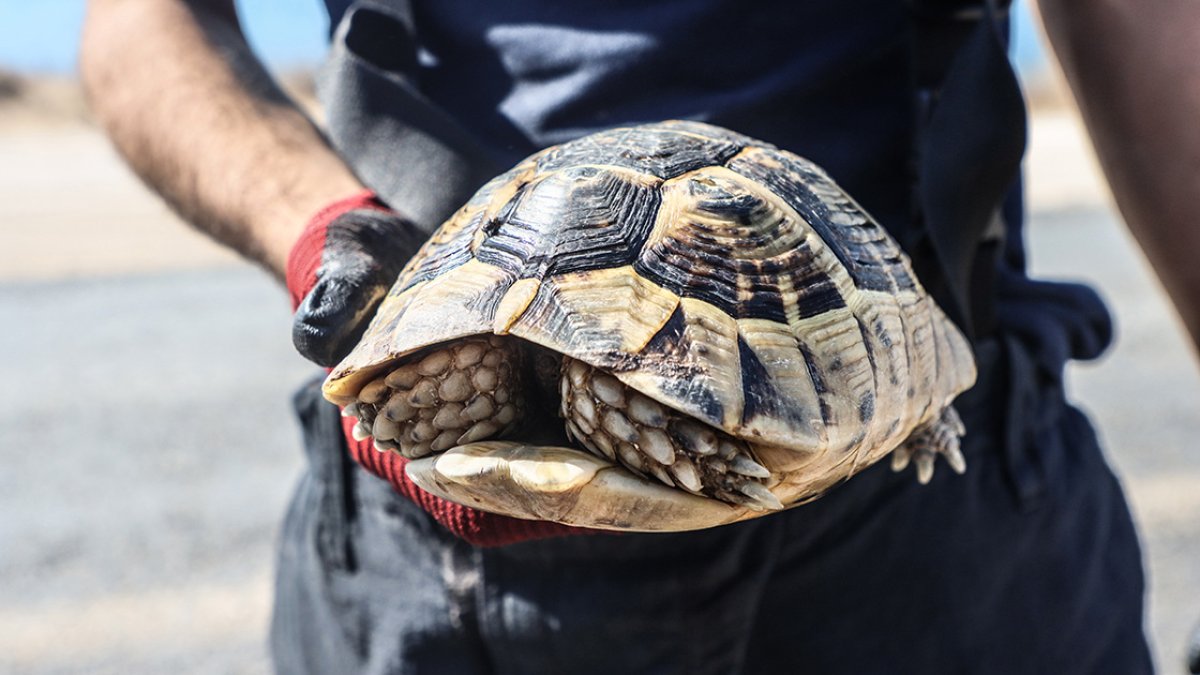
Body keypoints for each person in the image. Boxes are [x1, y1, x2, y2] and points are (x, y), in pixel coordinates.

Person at [79, 0, 1197, 672]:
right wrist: (322, 236)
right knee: (476, 386)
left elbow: (1149, 24)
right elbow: (138, 21)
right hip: (425, 461)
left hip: (937, 518)